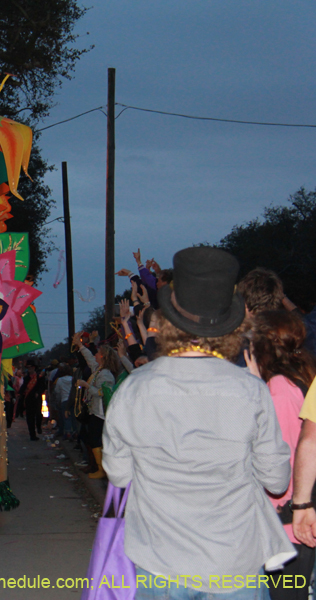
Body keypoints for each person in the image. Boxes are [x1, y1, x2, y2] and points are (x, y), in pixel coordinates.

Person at [103, 246, 295, 598]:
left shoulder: (134, 389)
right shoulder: (250, 391)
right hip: (233, 561)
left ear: (167, 321)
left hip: (158, 558)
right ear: (230, 325)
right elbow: (276, 480)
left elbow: (119, 475)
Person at [246, 311, 316, 599]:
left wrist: (285, 511)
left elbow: (285, 454)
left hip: (285, 522)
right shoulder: (302, 374)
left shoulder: (279, 388)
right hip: (296, 515)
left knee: (286, 593)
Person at [71, 332, 117, 479]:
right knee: (90, 438)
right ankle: (97, 466)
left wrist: (86, 385)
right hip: (95, 411)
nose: (95, 354)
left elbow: (101, 393)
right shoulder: (99, 370)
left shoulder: (106, 374)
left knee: (95, 439)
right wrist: (79, 345)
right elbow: (89, 358)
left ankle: (101, 469)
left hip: (100, 413)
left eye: (97, 353)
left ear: (102, 356)